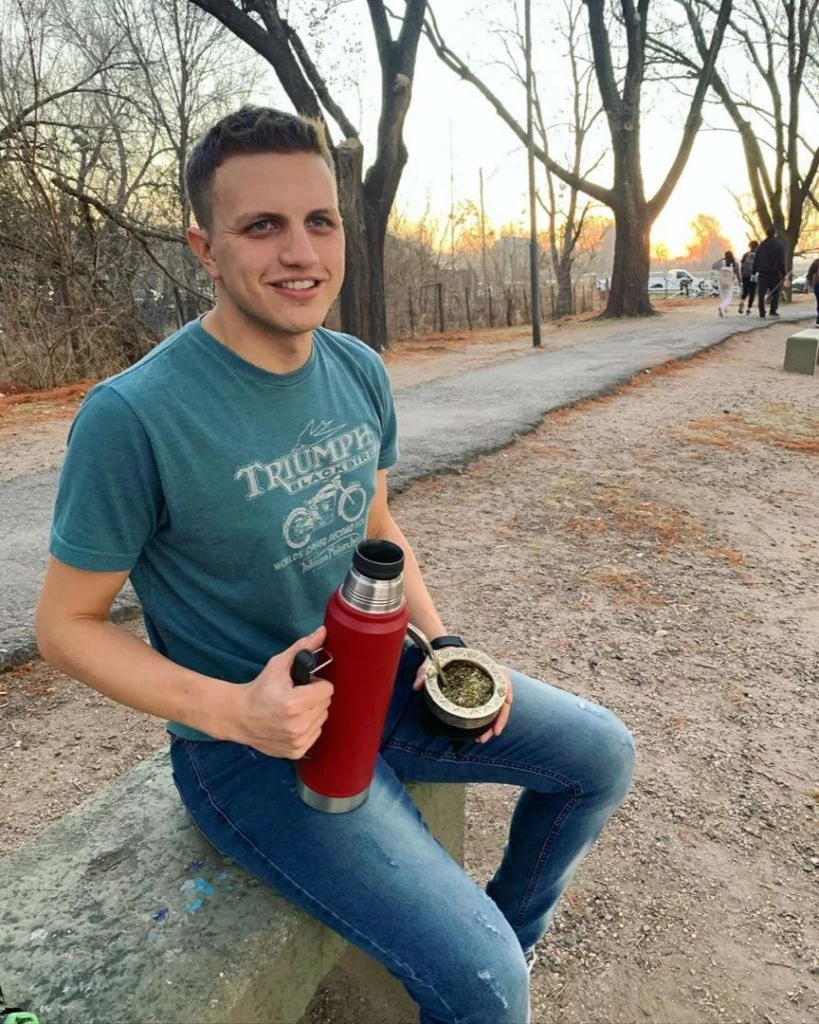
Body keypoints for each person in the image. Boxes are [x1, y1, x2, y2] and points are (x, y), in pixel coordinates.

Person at [34, 106, 634, 1024]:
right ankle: (481, 972)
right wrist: (234, 711)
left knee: (600, 755)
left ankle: (504, 932)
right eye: (261, 225)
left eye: (319, 221)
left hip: (385, 681)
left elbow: (377, 528)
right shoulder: (133, 417)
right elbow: (64, 626)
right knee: (489, 991)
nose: (299, 252)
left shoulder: (356, 369)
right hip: (251, 747)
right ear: (205, 249)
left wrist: (444, 648)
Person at [754, 225, 786, 318]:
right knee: (775, 291)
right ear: (774, 233)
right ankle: (773, 310)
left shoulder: (761, 245)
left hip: (763, 272)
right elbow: (781, 260)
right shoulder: (779, 245)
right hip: (774, 273)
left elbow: (756, 259)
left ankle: (762, 311)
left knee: (761, 293)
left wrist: (754, 271)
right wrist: (783, 273)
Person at [715, 249, 740, 317]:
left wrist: (721, 260)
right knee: (728, 297)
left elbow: (714, 266)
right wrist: (739, 281)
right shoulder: (735, 263)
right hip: (730, 281)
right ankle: (722, 307)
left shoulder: (722, 262)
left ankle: (724, 309)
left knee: (723, 296)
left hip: (721, 281)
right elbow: (737, 273)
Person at [738, 240, 758, 315]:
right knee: (752, 291)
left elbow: (742, 264)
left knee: (745, 290)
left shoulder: (746, 254)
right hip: (754, 275)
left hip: (745, 274)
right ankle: (748, 309)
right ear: (756, 246)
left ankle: (742, 301)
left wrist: (742, 274)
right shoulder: (758, 255)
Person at [807, 257, 819, 327]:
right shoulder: (816, 262)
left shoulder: (816, 262)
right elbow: (810, 273)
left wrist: (810, 282)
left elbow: (810, 273)